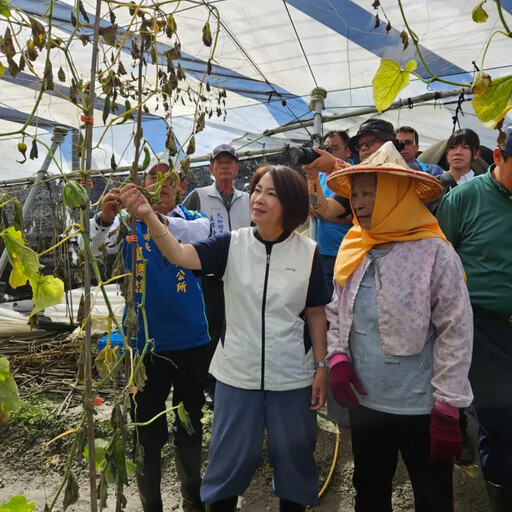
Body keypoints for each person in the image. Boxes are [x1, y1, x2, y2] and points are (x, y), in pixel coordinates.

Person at [121, 164, 331, 512]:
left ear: (290, 204)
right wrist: (148, 216)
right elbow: (178, 254)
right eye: (258, 189)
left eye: (271, 193)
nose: (259, 198)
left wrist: (321, 366)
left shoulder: (307, 252)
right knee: (228, 463)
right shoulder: (230, 245)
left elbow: (316, 313)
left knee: (295, 462)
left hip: (293, 375)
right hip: (237, 376)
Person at [325, 142, 473, 512]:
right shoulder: (355, 245)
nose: (357, 202)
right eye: (355, 194)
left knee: (432, 494)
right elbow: (336, 308)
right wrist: (338, 356)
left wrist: (449, 405)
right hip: (367, 399)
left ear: (396, 195)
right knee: (370, 489)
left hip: (421, 406)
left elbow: (456, 328)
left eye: (368, 193)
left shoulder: (435, 253)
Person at [88, 160, 211, 512]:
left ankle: (192, 497)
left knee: (190, 422)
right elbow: (93, 251)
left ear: (182, 187)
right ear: (141, 184)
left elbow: (197, 238)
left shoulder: (194, 223)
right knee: (147, 430)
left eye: (169, 179)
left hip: (191, 341)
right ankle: (151, 505)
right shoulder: (128, 227)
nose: (161, 184)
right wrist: (107, 218)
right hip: (144, 348)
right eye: (153, 177)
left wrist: (146, 216)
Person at [436, 126, 512, 511]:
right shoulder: (464, 198)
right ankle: (502, 494)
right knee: (498, 418)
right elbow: (439, 261)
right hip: (484, 326)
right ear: (498, 158)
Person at [183, 144, 251, 406]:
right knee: (211, 329)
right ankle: (209, 383)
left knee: (238, 327)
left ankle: (235, 378)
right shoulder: (198, 196)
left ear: (237, 168)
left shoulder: (247, 199)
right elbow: (183, 229)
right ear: (210, 168)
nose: (224, 165)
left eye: (229, 161)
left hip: (241, 276)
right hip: (209, 278)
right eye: (219, 162)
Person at [305, 118, 400, 224]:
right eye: (360, 144)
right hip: (364, 240)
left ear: (391, 145)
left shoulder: (407, 175)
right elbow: (325, 210)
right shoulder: (354, 186)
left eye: (371, 141)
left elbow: (380, 182)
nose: (364, 147)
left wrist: (334, 164)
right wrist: (313, 177)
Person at [312, 130, 353, 296]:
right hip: (323, 252)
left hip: (345, 252)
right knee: (327, 305)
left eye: (334, 148)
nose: (329, 153)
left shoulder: (353, 176)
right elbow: (315, 207)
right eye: (326, 149)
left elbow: (355, 217)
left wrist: (323, 212)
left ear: (348, 151)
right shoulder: (319, 176)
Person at [428, 128, 481, 214]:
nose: (458, 152)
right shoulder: (434, 184)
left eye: (465, 147)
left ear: (476, 154)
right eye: (452, 147)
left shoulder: (482, 185)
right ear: (447, 153)